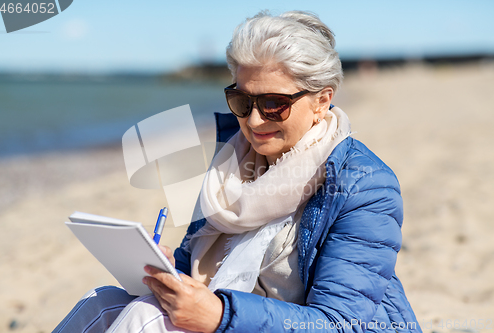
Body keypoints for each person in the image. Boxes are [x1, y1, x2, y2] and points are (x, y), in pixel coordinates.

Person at [53, 10, 422, 333]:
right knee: (103, 302)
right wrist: (168, 271)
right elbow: (199, 269)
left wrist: (219, 315)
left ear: (322, 100)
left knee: (146, 318)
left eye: (275, 104)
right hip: (240, 318)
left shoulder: (364, 185)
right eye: (242, 101)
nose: (254, 120)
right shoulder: (230, 163)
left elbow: (342, 323)